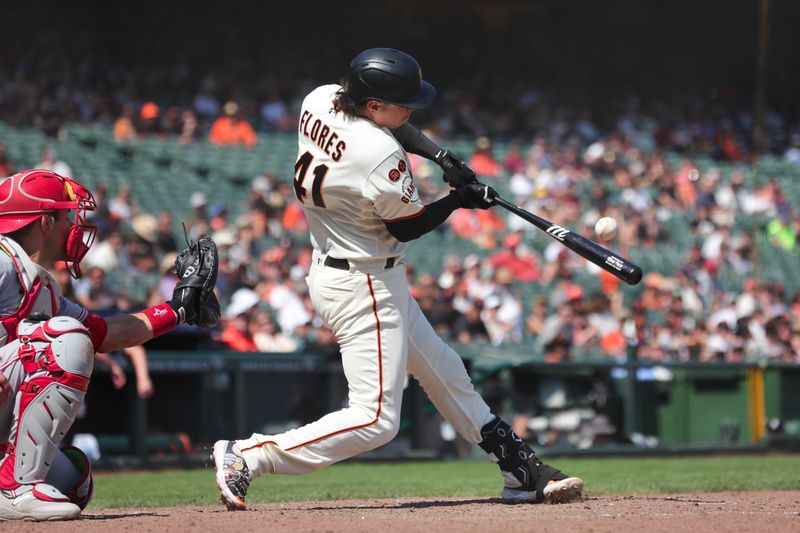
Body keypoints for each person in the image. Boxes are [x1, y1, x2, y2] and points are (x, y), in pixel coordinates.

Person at [212, 48, 583, 510]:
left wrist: (440, 155)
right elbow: (406, 226)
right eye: (401, 102)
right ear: (372, 105)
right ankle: (250, 455)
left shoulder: (322, 98)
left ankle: (519, 467)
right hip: (362, 280)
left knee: (445, 371)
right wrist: (459, 199)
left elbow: (394, 126)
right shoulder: (380, 153)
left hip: (350, 268)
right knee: (375, 419)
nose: (412, 110)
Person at [0, 169, 218, 521]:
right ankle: (14, 488)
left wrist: (178, 308)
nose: (73, 226)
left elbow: (107, 334)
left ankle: (15, 482)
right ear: (44, 222)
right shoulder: (2, 259)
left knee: (74, 482)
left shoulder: (41, 286)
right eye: (66, 216)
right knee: (65, 339)